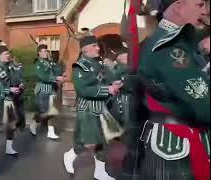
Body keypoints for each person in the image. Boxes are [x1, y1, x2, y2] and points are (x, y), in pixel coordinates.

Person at [138, 0, 210, 179]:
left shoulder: (181, 41)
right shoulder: (169, 46)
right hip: (177, 145)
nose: (205, 11)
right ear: (179, 6)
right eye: (199, 5)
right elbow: (202, 103)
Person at [63, 35, 124, 180]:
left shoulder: (100, 64)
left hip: (101, 108)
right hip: (88, 109)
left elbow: (109, 78)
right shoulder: (80, 66)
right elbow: (83, 90)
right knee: (90, 142)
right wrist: (106, 90)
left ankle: (100, 172)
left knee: (102, 141)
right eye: (94, 46)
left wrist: (115, 83)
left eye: (97, 45)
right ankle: (70, 155)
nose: (98, 48)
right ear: (85, 49)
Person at [29, 43, 65, 140]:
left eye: (47, 51)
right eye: (44, 51)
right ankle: (34, 124)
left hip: (51, 90)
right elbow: (42, 76)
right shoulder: (38, 63)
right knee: (42, 112)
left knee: (52, 111)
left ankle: (51, 132)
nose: (46, 52)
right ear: (39, 53)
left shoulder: (49, 62)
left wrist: (60, 74)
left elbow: (56, 71)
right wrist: (56, 78)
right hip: (42, 90)